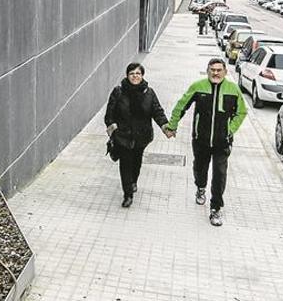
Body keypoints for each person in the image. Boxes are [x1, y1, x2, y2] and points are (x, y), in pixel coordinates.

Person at [165, 58, 247, 226]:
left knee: (219, 173)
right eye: (212, 70)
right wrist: (172, 125)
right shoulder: (198, 86)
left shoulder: (233, 89)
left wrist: (229, 130)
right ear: (208, 71)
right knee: (200, 168)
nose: (215, 73)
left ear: (225, 71)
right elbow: (182, 106)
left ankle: (216, 208)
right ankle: (200, 187)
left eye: (219, 70)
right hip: (200, 139)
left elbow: (242, 112)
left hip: (222, 142)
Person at [105, 63, 171, 208]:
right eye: (132, 73)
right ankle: (128, 194)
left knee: (136, 162)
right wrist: (113, 128)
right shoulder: (118, 92)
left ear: (142, 76)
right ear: (127, 76)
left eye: (138, 73)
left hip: (142, 136)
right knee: (125, 164)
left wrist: (165, 126)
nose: (135, 76)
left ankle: (133, 181)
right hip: (123, 136)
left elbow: (157, 112)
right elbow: (109, 114)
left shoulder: (149, 93)